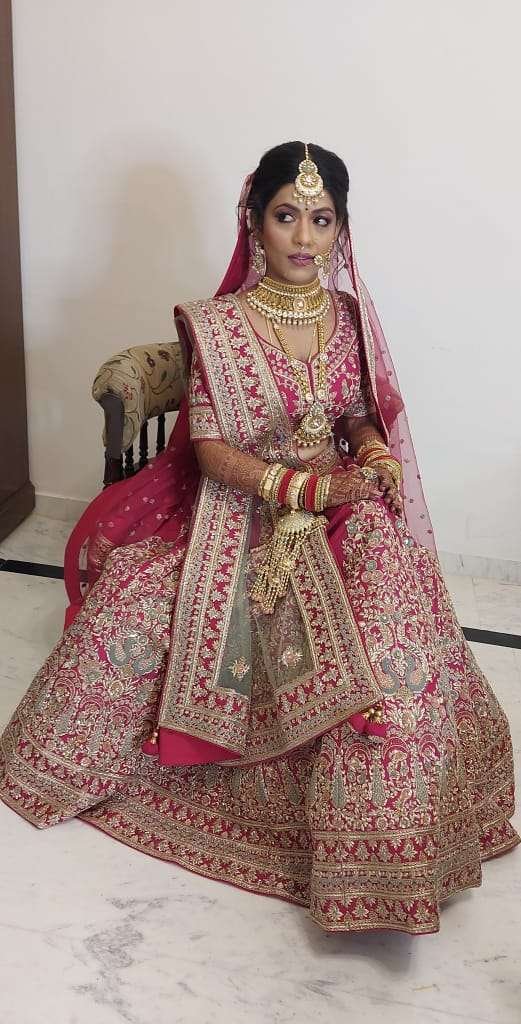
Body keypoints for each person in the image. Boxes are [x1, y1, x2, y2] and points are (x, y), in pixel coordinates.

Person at [1, 141, 518, 935]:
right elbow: (210, 451)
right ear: (254, 222)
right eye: (286, 216)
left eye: (321, 219)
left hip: (340, 506)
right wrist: (303, 489)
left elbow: (353, 412)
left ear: (341, 229)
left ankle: (387, 836)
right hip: (238, 511)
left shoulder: (347, 317)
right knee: (140, 605)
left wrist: (373, 454)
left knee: (389, 621)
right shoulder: (216, 325)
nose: (304, 238)